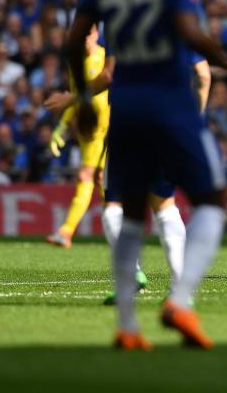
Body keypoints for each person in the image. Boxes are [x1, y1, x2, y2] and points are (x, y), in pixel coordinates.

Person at [65, 0, 227, 351]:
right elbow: (189, 31)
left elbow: (73, 40)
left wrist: (84, 100)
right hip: (170, 102)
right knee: (212, 198)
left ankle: (128, 326)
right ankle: (180, 300)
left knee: (127, 215)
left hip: (125, 105)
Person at [45, 50, 212, 303]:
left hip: (129, 122)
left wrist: (73, 97)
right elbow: (203, 75)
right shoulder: (179, 20)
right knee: (164, 204)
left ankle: (132, 275)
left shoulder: (122, 22)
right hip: (171, 124)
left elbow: (109, 74)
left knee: (113, 204)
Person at [44, 24, 110, 249]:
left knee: (86, 175)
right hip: (85, 128)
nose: (85, 39)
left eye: (88, 34)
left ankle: (66, 230)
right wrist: (61, 127)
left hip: (102, 127)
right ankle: (120, 227)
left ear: (96, 34)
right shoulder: (75, 64)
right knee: (100, 179)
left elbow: (103, 87)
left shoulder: (104, 58)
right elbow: (74, 98)